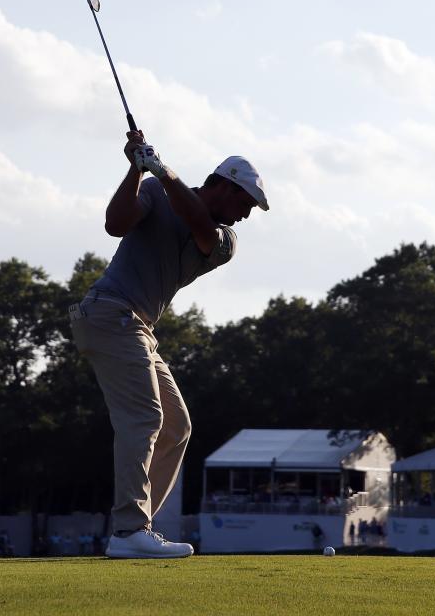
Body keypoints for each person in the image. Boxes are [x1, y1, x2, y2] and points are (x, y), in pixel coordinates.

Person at [70, 131, 269, 559]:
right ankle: (129, 531)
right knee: (145, 416)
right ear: (224, 186)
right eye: (246, 203)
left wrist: (162, 169)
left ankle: (136, 529)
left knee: (176, 426)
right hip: (109, 313)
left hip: (135, 325)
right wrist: (137, 169)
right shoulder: (158, 191)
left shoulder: (224, 239)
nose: (246, 216)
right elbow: (114, 223)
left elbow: (198, 224)